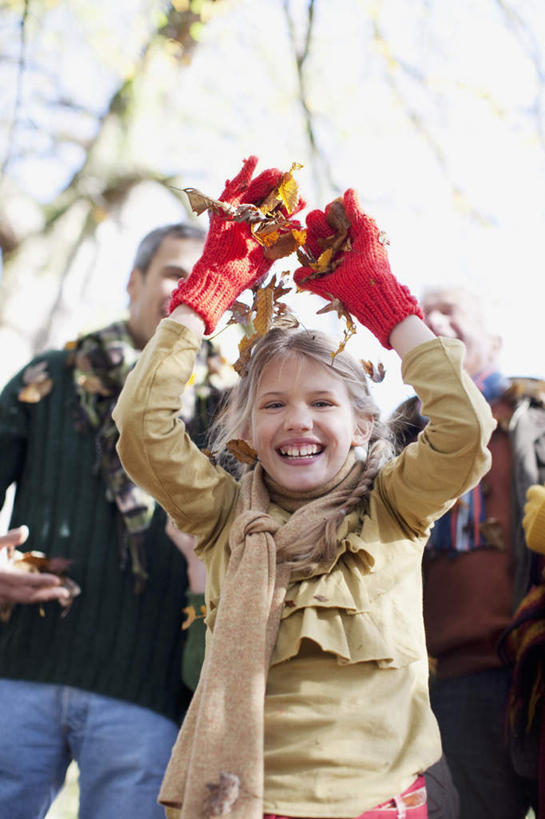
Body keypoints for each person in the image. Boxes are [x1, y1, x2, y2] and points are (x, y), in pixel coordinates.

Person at [113, 156, 495, 819]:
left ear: (361, 427)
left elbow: (463, 429)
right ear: (245, 430)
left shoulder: (394, 507)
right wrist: (206, 292)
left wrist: (388, 305)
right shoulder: (223, 513)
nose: (297, 419)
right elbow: (141, 429)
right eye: (272, 405)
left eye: (322, 402)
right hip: (243, 803)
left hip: (381, 804)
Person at [0, 222, 216, 819]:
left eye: (203, 278)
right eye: (176, 272)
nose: (187, 289)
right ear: (134, 281)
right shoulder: (52, 377)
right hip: (19, 671)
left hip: (147, 692)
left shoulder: (233, 407)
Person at [393, 286, 545, 818]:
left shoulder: (536, 412)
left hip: (538, 662)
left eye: (450, 309)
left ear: (496, 339)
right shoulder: (397, 435)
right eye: (424, 312)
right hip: (454, 678)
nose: (434, 319)